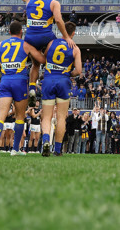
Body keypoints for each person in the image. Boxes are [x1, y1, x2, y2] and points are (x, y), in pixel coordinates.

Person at [0, 21, 46, 157]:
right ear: (21, 32)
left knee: (1, 114)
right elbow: (41, 60)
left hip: (5, 81)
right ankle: (15, 149)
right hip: (20, 82)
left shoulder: (0, 45)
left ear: (9, 32)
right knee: (20, 116)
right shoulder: (25, 44)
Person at [18, 0, 76, 102]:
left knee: (35, 64)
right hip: (46, 36)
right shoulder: (54, 2)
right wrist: (66, 37)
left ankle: (32, 87)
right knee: (55, 57)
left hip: (30, 37)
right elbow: (59, 21)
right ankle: (54, 85)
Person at [40, 21, 82, 157]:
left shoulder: (52, 43)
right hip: (63, 81)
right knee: (61, 117)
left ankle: (46, 141)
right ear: (73, 33)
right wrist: (67, 73)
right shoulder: (75, 48)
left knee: (46, 116)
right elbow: (79, 70)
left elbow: (45, 57)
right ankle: (57, 150)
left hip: (48, 79)